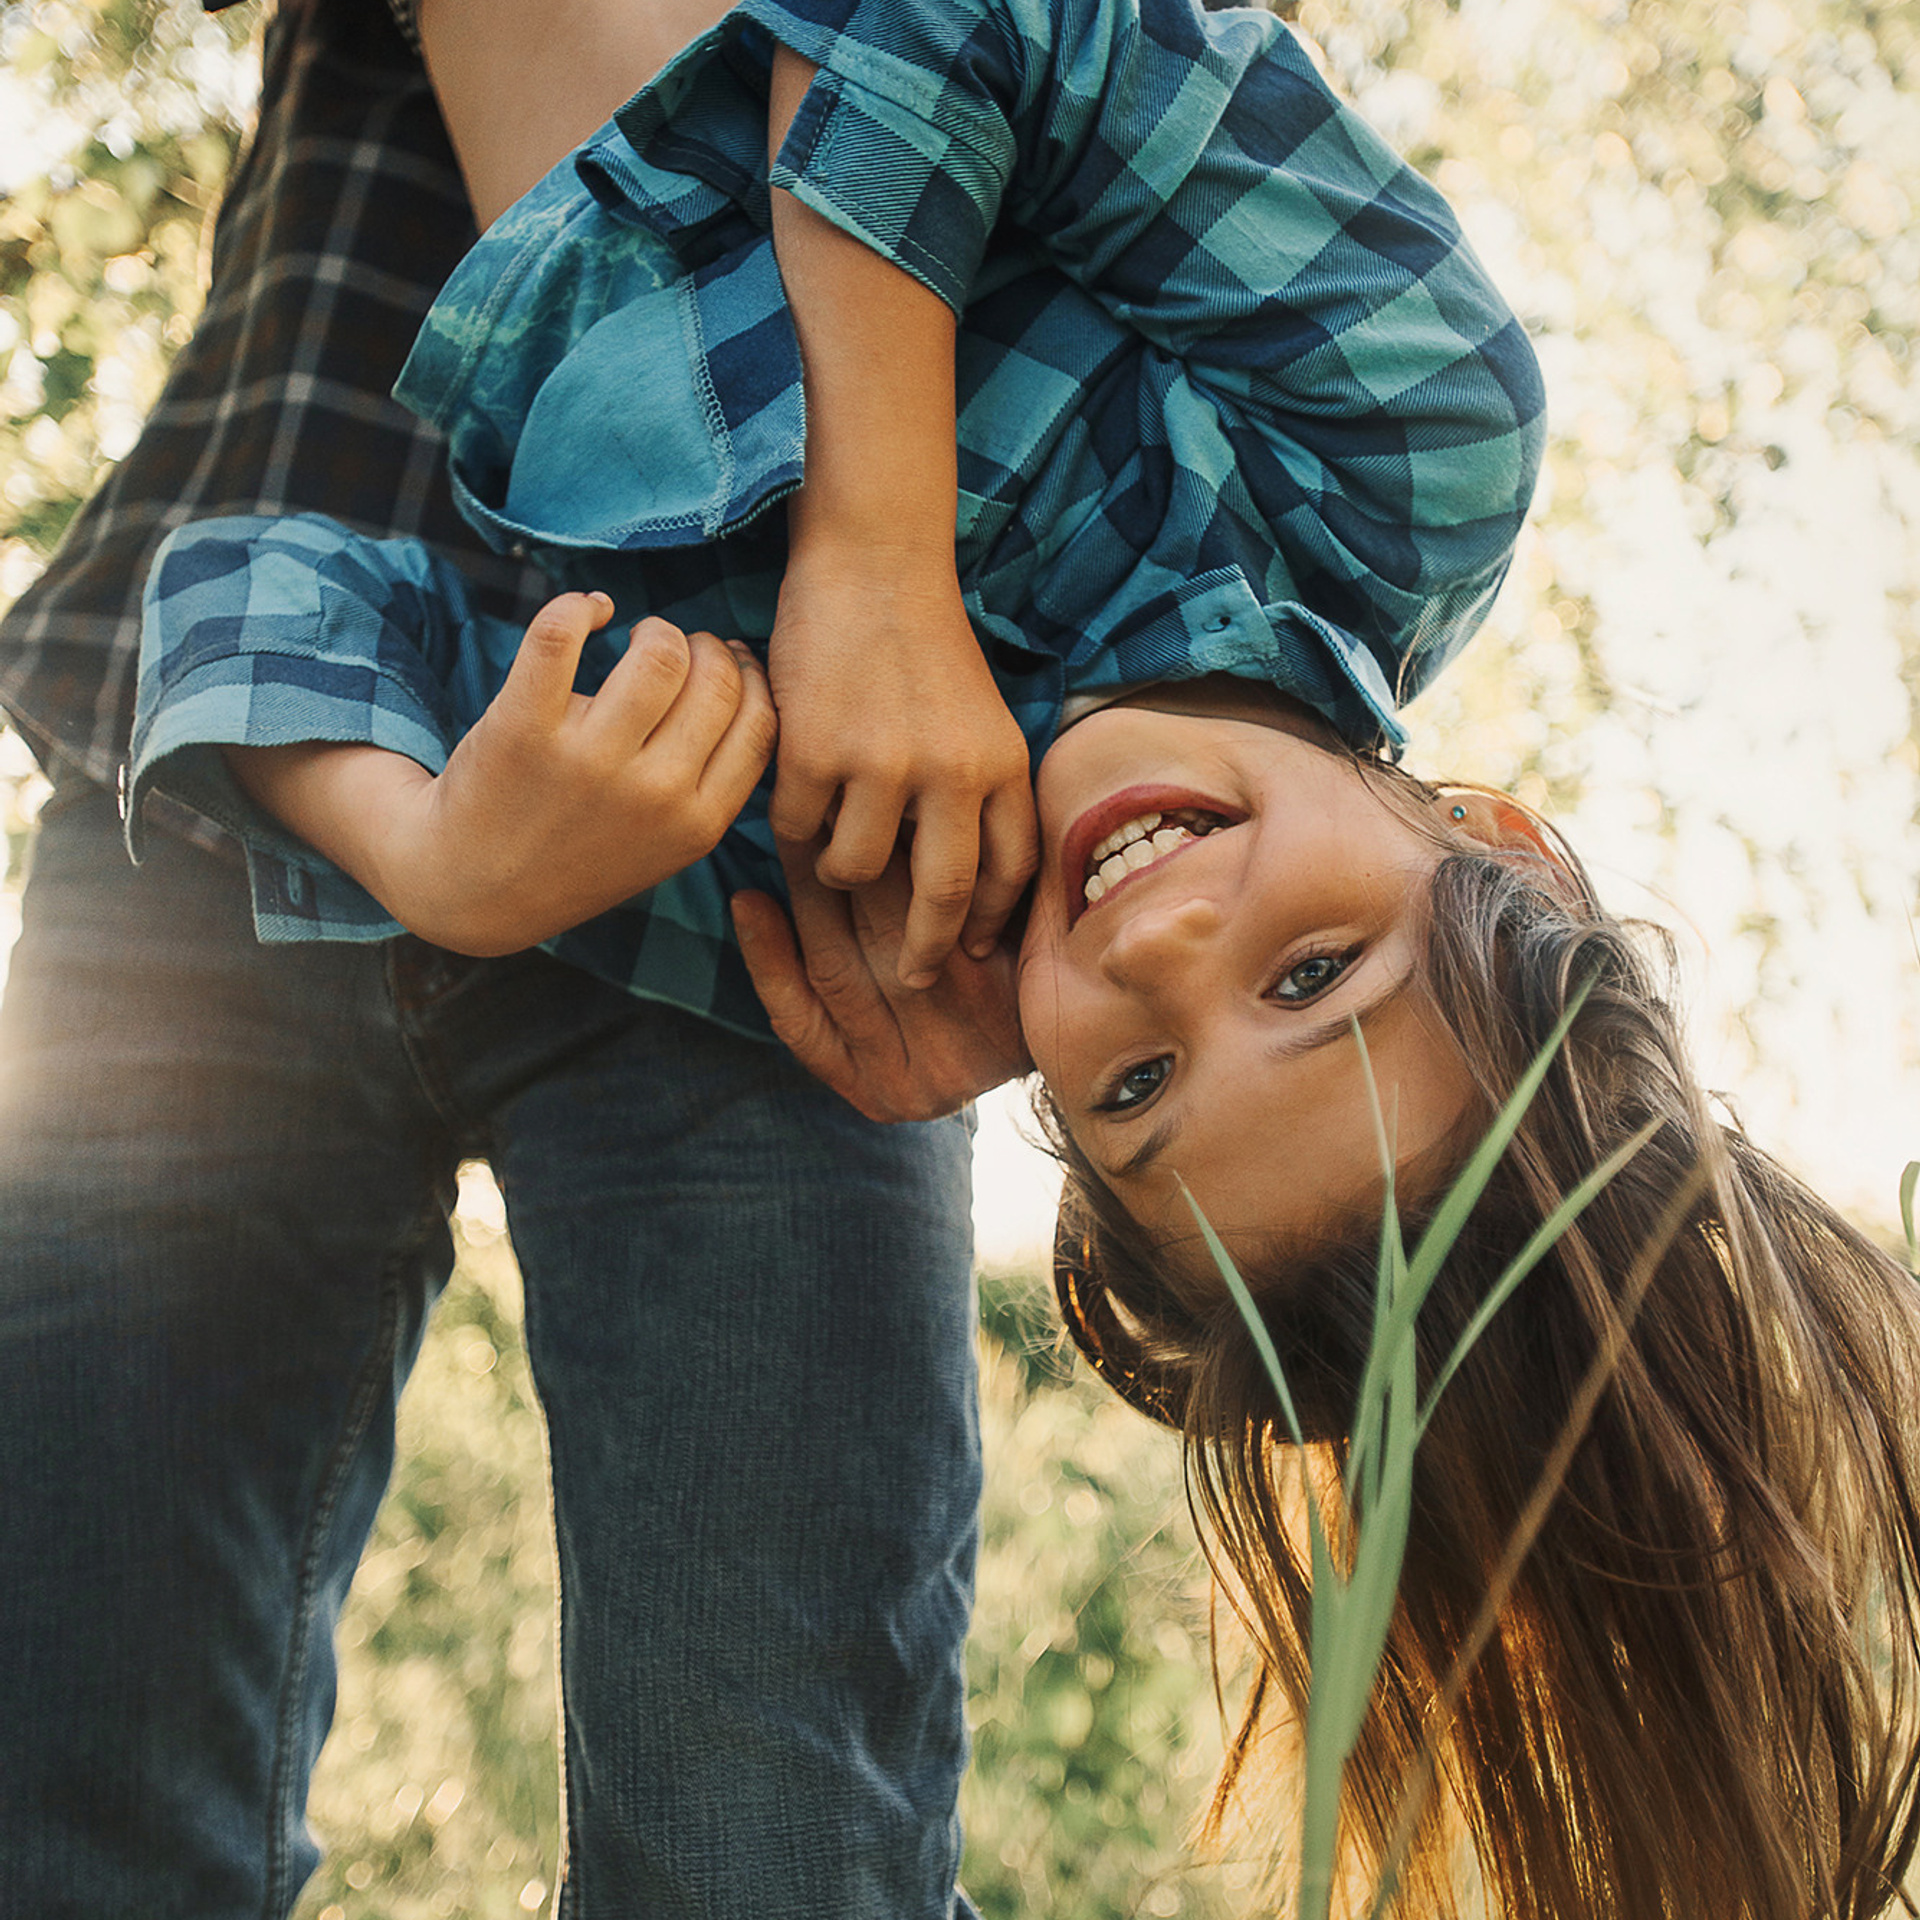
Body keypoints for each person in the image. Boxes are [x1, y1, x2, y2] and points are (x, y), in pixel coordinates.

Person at [0, 4, 983, 1917]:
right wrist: (869, 548)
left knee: (774, 1855)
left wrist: (889, 574)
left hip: (765, 872)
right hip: (239, 780)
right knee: (62, 1813)